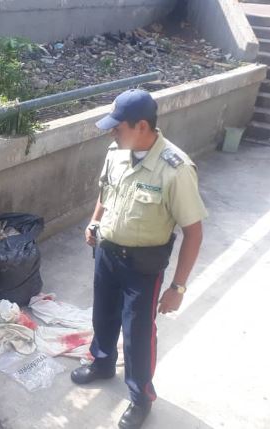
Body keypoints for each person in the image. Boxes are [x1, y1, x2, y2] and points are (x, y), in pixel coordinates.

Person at [70, 89, 207, 429]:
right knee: (102, 316)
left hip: (142, 267)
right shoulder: (117, 151)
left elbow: (194, 232)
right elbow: (106, 192)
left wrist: (178, 286)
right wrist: (94, 221)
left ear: (141, 125)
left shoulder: (176, 169)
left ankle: (141, 396)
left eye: (118, 127)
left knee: (138, 334)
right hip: (107, 253)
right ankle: (101, 363)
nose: (112, 132)